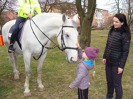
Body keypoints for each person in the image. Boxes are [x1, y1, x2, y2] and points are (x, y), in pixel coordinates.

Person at [102, 13, 131, 99]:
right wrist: (104, 56)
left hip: (117, 63)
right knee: (109, 81)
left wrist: (121, 66)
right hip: (108, 61)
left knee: (116, 83)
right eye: (113, 21)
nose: (114, 23)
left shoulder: (125, 34)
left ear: (122, 23)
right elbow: (107, 45)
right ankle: (109, 96)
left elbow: (125, 52)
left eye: (116, 22)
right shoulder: (111, 30)